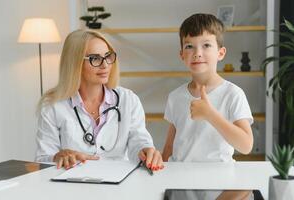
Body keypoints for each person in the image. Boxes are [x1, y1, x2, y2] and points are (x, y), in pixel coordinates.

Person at [35, 29, 163, 171]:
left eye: (108, 56)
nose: (105, 65)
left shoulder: (128, 100)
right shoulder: (53, 106)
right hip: (74, 186)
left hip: (118, 183)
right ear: (75, 63)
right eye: (95, 58)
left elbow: (138, 142)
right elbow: (42, 159)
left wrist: (145, 151)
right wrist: (57, 157)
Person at [162, 13, 253, 162]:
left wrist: (210, 114)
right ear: (182, 55)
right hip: (180, 180)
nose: (197, 53)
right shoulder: (175, 97)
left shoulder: (233, 94)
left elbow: (246, 146)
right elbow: (168, 148)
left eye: (206, 45)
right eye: (189, 46)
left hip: (218, 180)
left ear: (220, 53)